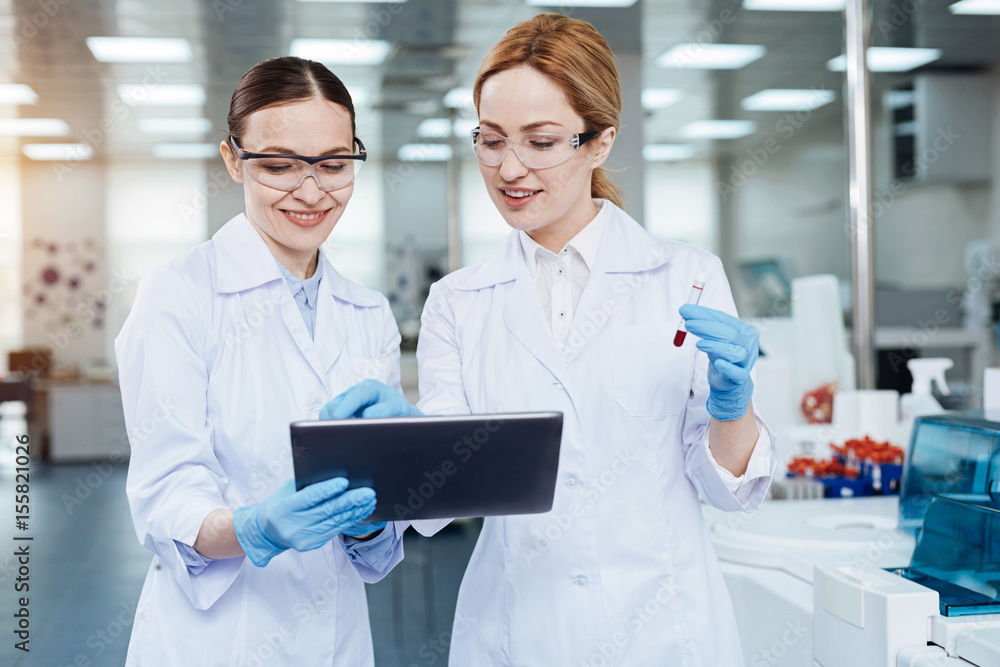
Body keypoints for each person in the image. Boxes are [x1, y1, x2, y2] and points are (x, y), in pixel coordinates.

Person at [332, 13, 775, 665]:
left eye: (541, 142)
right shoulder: (459, 301)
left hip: (662, 627)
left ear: (599, 142)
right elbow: (440, 491)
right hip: (518, 627)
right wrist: (402, 449)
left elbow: (728, 489)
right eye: (490, 140)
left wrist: (734, 409)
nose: (509, 168)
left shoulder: (687, 278)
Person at [115, 56, 404, 666]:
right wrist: (253, 529)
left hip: (337, 637)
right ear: (232, 159)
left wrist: (374, 519)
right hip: (217, 640)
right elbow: (167, 494)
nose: (310, 191)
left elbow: (378, 550)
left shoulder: (368, 312)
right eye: (277, 165)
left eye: (333, 165)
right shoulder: (179, 294)